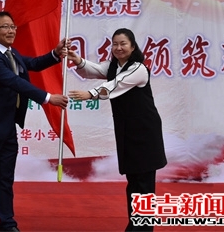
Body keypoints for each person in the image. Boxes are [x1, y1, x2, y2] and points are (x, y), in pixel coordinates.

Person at [0, 11, 69, 232]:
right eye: (5, 27)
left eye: (13, 26)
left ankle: (7, 224)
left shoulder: (10, 53)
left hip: (6, 127)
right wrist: (47, 98)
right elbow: (13, 81)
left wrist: (55, 53)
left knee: (5, 180)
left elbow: (32, 63)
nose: (11, 30)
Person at [68, 28, 167, 232]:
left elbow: (115, 85)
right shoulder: (114, 66)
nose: (118, 48)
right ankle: (135, 225)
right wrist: (77, 59)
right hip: (127, 131)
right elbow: (93, 70)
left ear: (132, 46)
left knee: (144, 185)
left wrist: (90, 94)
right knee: (133, 182)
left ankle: (142, 228)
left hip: (145, 132)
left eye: (123, 43)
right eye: (115, 44)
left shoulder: (138, 69)